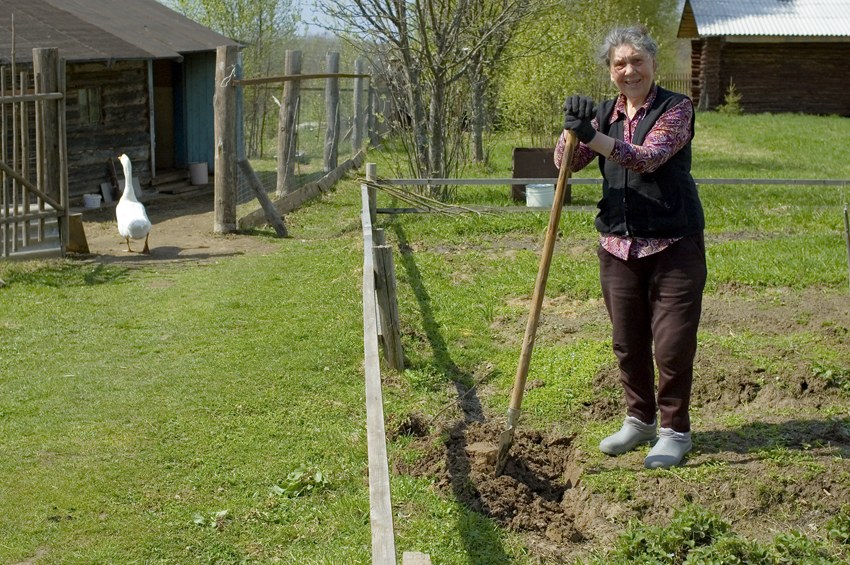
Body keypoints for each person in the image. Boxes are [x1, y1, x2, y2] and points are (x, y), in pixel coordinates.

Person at [554, 25, 707, 469]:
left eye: (637, 60)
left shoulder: (676, 108)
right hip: (618, 246)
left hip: (673, 244)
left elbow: (648, 158)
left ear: (653, 64)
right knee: (627, 342)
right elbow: (566, 164)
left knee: (672, 345)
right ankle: (639, 421)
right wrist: (571, 130)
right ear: (610, 71)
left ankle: (674, 432)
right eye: (620, 63)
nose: (629, 70)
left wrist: (592, 136)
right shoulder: (605, 113)